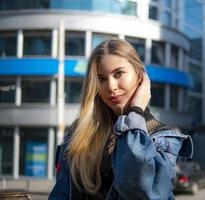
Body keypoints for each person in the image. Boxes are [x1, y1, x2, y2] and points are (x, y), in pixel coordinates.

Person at [48, 38, 193, 200]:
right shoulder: (79, 132)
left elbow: (139, 188)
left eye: (119, 74)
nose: (111, 86)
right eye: (101, 78)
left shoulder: (163, 136)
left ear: (140, 76)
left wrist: (136, 112)